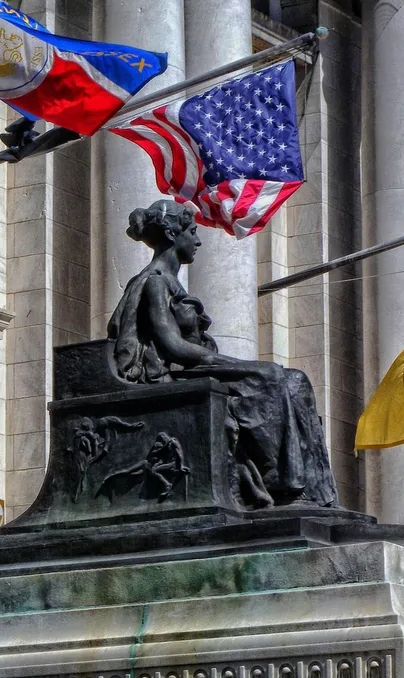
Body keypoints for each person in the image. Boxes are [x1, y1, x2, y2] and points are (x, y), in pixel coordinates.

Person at [107, 200, 338, 509]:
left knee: (295, 380)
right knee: (269, 377)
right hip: (174, 378)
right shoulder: (154, 283)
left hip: (195, 371)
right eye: (192, 231)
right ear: (172, 235)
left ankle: (313, 490)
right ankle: (282, 486)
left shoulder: (171, 283)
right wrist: (233, 363)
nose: (198, 241)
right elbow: (173, 346)